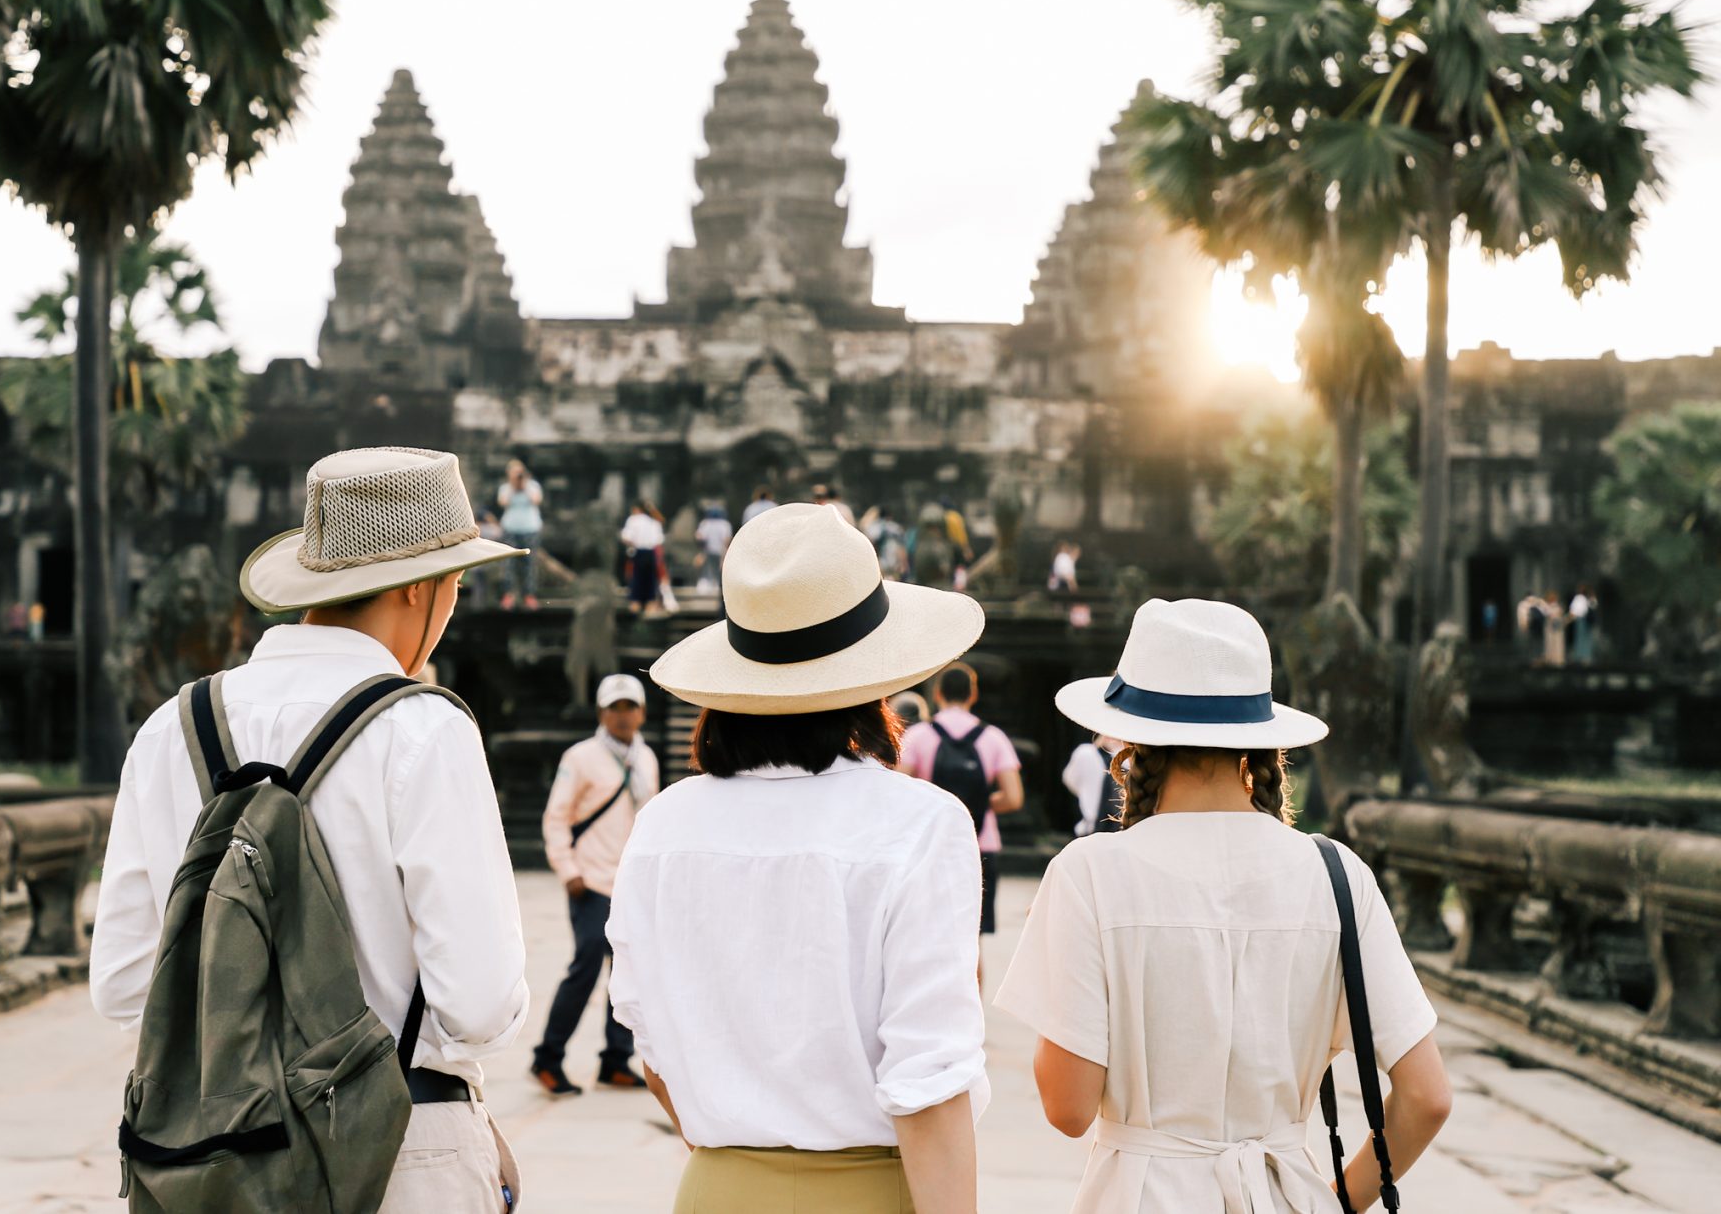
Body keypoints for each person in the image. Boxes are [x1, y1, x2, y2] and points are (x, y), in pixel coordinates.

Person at [92, 446, 533, 1212]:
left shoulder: (173, 728)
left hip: (214, 1159)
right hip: (404, 1148)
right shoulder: (423, 730)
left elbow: (125, 984)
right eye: (456, 583)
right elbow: (480, 1002)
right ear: (422, 587)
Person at [996, 598, 1452, 1213]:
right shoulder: (1337, 873)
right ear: (1259, 739)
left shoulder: (1089, 874)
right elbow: (1427, 1097)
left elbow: (1068, 1108)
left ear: (1131, 740)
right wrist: (1336, 1202)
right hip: (1286, 1194)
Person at [610, 503, 990, 1214]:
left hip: (718, 1187)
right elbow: (928, 1085)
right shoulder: (919, 823)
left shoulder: (662, 825)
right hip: (872, 1189)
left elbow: (651, 1045)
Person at [532, 673, 660, 1097]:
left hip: (628, 884)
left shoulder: (645, 759)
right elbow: (556, 817)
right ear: (602, 713)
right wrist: (567, 870)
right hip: (589, 881)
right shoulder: (581, 757)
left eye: (630, 707)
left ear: (641, 712)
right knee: (585, 969)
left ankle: (615, 1061)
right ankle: (547, 1059)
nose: (623, 716)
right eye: (615, 708)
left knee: (627, 974)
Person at [897, 662, 1025, 984]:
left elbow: (898, 789)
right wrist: (978, 804)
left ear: (937, 694)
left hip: (929, 846)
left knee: (923, 935)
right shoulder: (993, 737)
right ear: (974, 695)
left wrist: (941, 808)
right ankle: (972, 1025)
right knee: (972, 941)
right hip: (981, 847)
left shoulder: (918, 735)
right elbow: (1013, 797)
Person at [497, 458, 544, 611]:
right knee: (508, 563)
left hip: (530, 528)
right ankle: (508, 594)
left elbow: (536, 500)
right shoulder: (505, 488)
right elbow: (503, 502)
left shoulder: (533, 486)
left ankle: (529, 595)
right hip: (511, 528)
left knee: (529, 563)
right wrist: (513, 485)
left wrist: (524, 485)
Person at [1059, 734, 1126, 837]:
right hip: (1095, 831)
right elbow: (1069, 780)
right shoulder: (1086, 753)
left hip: (1112, 832)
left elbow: (1070, 781)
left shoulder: (1087, 753)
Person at [621, 500, 666, 614]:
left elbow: (626, 537)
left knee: (637, 578)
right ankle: (650, 605)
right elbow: (659, 540)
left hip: (638, 552)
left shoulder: (633, 520)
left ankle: (635, 604)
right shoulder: (654, 522)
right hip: (651, 553)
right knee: (650, 580)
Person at [694, 503, 733, 596]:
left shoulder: (705, 523)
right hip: (720, 550)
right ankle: (715, 586)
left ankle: (705, 587)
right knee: (718, 570)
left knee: (707, 570)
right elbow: (727, 539)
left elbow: (699, 536)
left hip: (708, 550)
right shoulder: (725, 524)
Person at [1542, 590, 1569, 667]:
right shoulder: (1558, 606)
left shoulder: (1548, 607)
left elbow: (1548, 615)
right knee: (1558, 642)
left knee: (1551, 642)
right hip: (1557, 625)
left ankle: (1552, 659)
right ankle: (1558, 659)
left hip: (1551, 626)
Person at [1569, 588, 1595, 665]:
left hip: (1581, 620)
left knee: (1580, 638)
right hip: (1586, 620)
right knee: (1585, 638)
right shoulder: (1588, 599)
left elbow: (1574, 611)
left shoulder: (1579, 598)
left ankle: (1581, 656)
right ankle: (1586, 656)